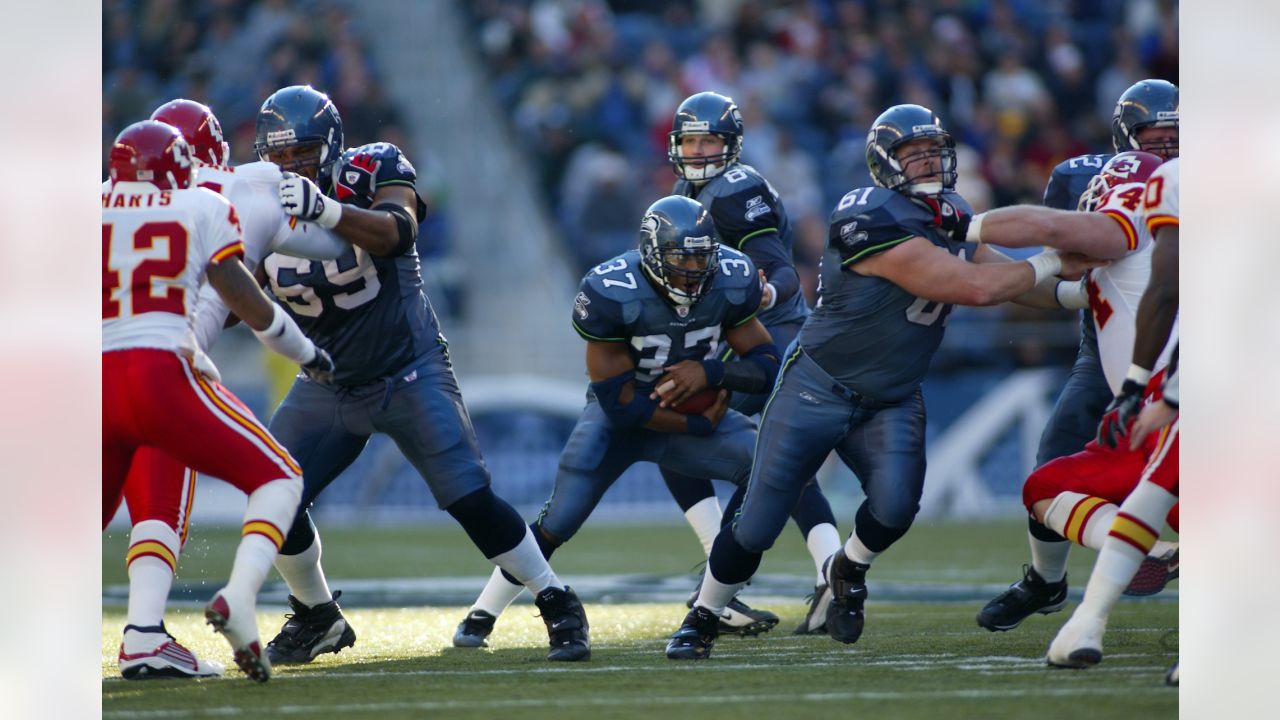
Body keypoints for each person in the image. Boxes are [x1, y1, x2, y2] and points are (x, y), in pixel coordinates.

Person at [664, 104, 1100, 659]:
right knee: (755, 525)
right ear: (882, 163)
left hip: (892, 395)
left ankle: (846, 568)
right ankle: (703, 616)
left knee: (895, 509)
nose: (927, 163)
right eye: (912, 154)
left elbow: (996, 267)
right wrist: (1059, 263)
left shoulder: (952, 211)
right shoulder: (866, 215)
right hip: (817, 385)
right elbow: (972, 287)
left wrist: (1073, 294)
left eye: (932, 151)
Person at [253, 85, 590, 664]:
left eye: (302, 154)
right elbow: (240, 296)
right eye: (278, 156)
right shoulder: (255, 203)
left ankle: (556, 599)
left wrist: (326, 210)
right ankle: (318, 615)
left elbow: (397, 231)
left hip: (408, 370)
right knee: (269, 494)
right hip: (328, 382)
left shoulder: (374, 166)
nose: (289, 168)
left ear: (332, 147)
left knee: (468, 498)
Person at [451, 195, 782, 649]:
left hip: (690, 412)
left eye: (702, 255)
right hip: (619, 424)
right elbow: (620, 402)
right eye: (681, 256)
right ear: (651, 252)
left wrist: (711, 372)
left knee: (767, 470)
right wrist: (696, 426)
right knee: (557, 522)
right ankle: (482, 612)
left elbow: (766, 361)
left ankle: (710, 606)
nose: (693, 267)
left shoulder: (730, 277)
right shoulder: (610, 290)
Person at [111, 98, 350, 681]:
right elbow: (333, 250)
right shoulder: (233, 192)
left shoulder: (98, 200)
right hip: (169, 364)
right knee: (276, 478)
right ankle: (236, 600)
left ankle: (142, 633)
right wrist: (307, 352)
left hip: (93, 369)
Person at [974, 79, 1180, 634]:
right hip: (1113, 348)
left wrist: (967, 229)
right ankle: (1047, 582)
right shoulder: (1090, 179)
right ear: (1125, 141)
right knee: (1054, 465)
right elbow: (1063, 266)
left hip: (1171, 361)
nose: (1165, 152)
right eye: (1154, 140)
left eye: (1175, 140)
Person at [661, 91, 843, 636]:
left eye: (708, 140)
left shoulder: (737, 191)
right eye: (689, 140)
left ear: (731, 145)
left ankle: (723, 581)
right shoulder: (685, 192)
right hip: (739, 338)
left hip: (773, 335)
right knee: (781, 462)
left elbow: (781, 270)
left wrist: (760, 297)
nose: (697, 151)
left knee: (676, 428)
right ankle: (834, 573)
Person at [1047, 157, 1180, 676]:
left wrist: (972, 226)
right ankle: (1085, 620)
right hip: (1172, 389)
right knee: (1052, 484)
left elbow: (1168, 296)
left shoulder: (1162, 190)